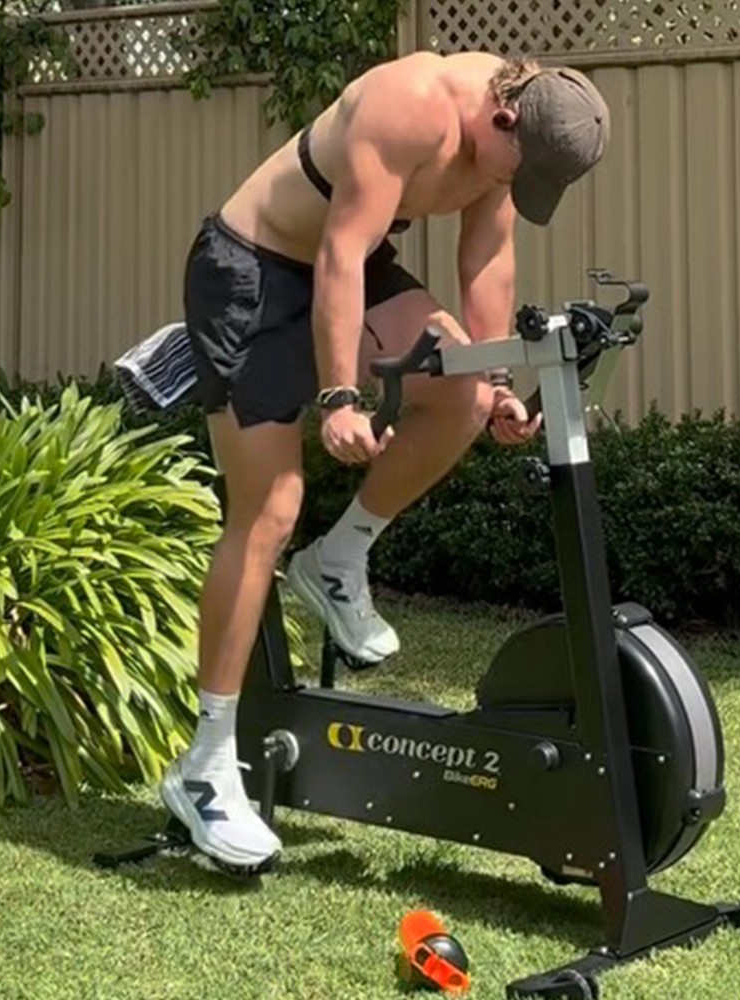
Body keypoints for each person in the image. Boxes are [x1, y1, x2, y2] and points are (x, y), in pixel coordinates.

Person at [160, 50, 610, 873]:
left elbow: (486, 262)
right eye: (523, 167)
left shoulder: (513, 140)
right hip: (253, 272)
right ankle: (207, 766)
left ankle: (339, 561)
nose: (518, 184)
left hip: (350, 266)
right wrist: (337, 398)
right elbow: (337, 253)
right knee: (270, 506)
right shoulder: (411, 104)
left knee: (463, 399)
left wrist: (499, 379)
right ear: (504, 118)